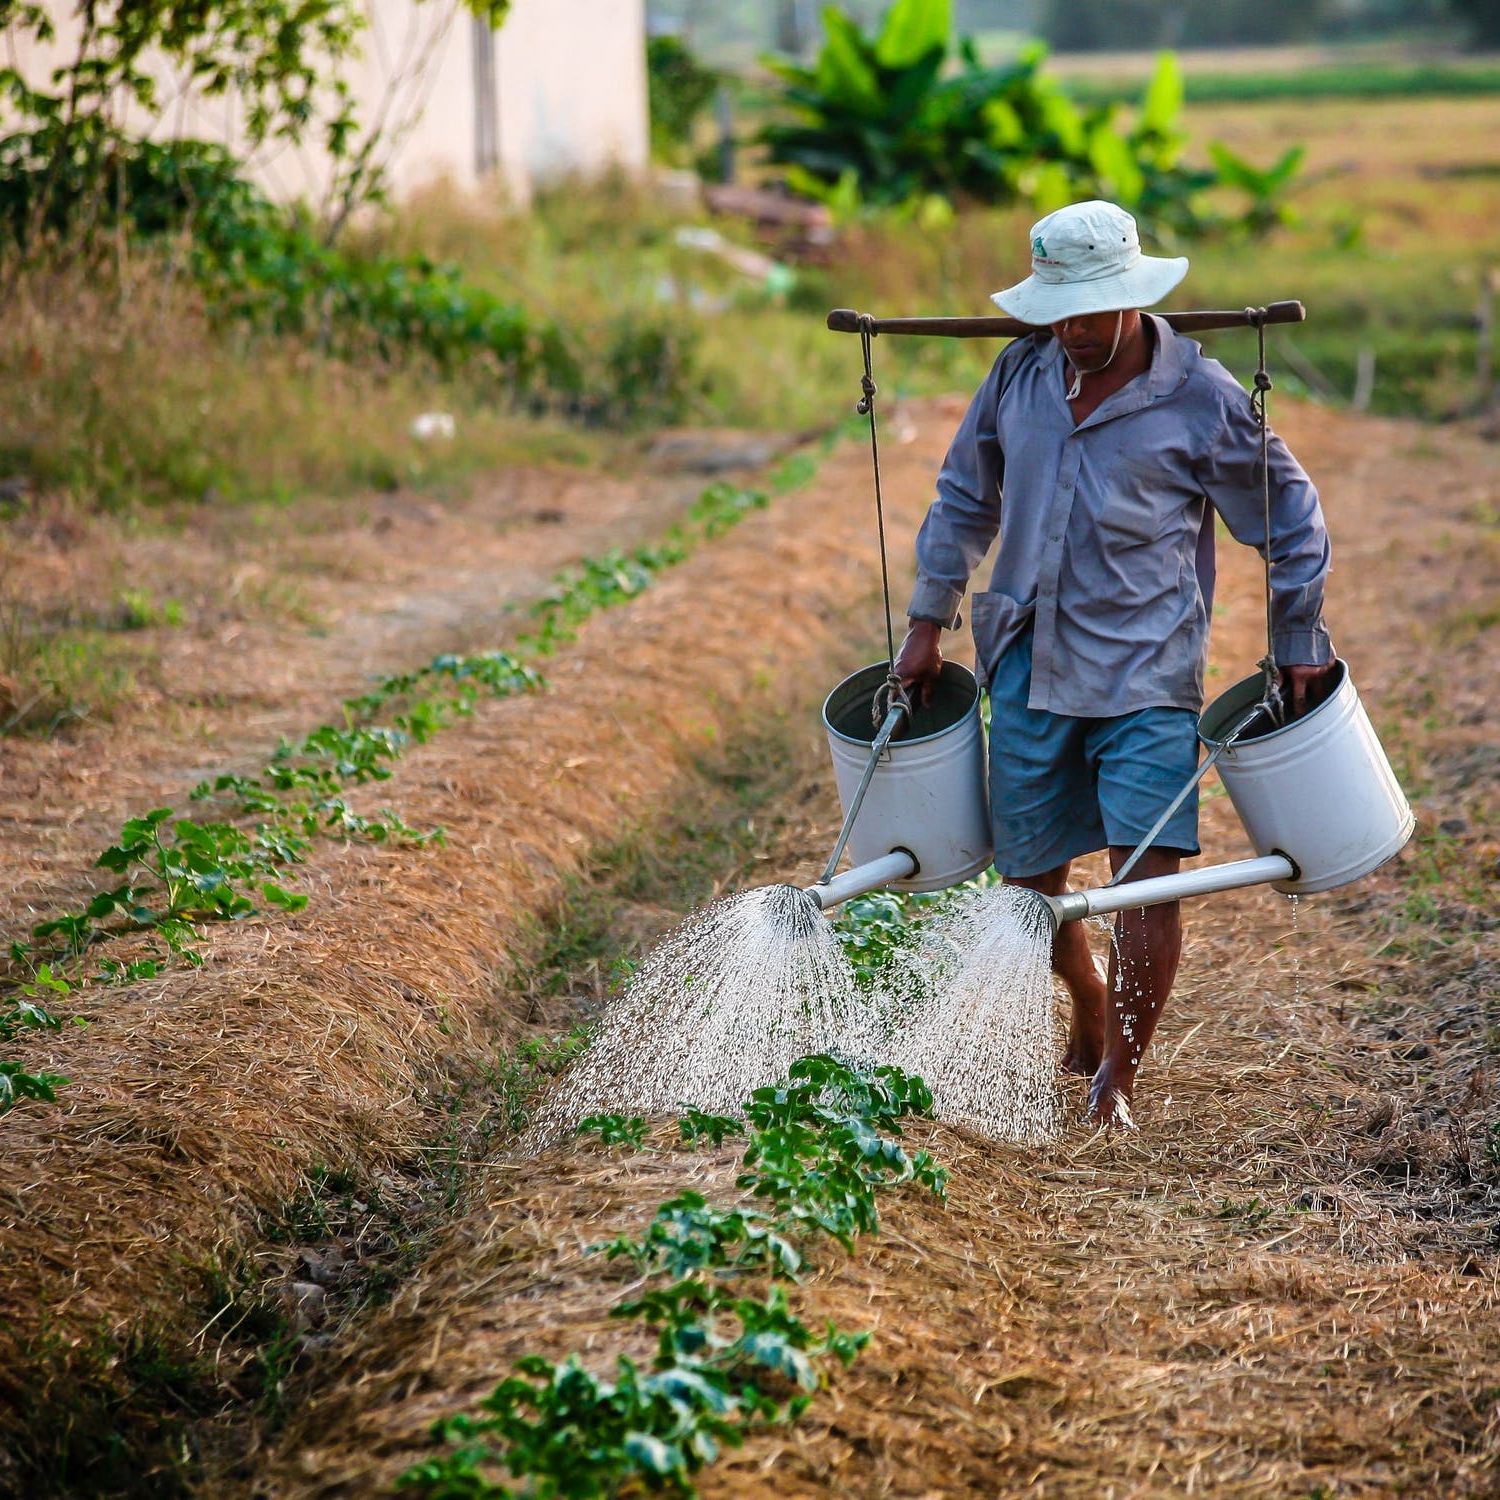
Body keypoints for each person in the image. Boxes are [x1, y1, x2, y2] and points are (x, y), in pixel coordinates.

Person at [895, 199, 1338, 1128]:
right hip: (1026, 661)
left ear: (1134, 298)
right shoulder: (1019, 375)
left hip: (1147, 672)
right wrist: (927, 620)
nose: (1075, 331)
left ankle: (1116, 1084)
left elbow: (1291, 521)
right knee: (1029, 886)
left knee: (1148, 876)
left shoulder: (1202, 399)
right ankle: (1087, 998)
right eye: (1059, 311)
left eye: (1091, 312)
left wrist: (1298, 638)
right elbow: (962, 499)